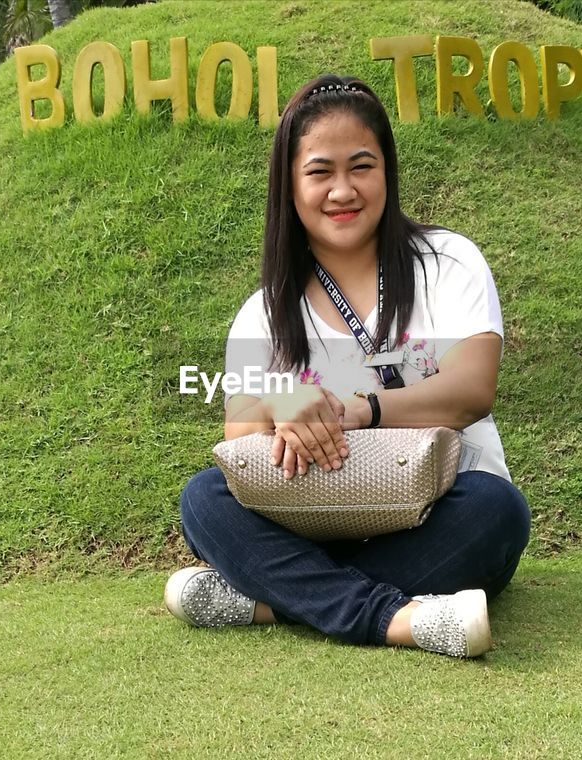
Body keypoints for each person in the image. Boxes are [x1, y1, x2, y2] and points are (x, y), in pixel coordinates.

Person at [167, 74, 531, 658]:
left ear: (387, 171)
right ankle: (398, 619)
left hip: (440, 510)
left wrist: (364, 411)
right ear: (290, 186)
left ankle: (273, 600)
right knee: (203, 502)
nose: (342, 190)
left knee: (498, 512)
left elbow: (472, 389)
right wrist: (280, 401)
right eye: (319, 172)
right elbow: (237, 438)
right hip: (316, 512)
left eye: (361, 166)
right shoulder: (262, 314)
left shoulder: (449, 263)